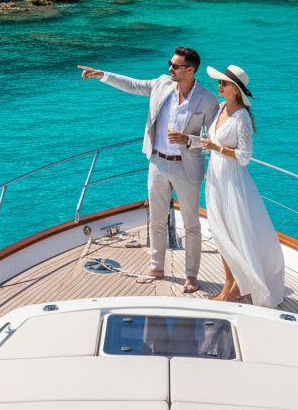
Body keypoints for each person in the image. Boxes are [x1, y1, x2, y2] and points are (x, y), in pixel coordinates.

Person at [78, 47, 218, 293]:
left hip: (187, 167)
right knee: (156, 219)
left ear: (190, 70)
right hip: (157, 163)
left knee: (191, 224)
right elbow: (133, 84)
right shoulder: (162, 84)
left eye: (175, 66)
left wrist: (188, 140)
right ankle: (156, 267)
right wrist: (103, 75)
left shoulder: (207, 99)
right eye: (170, 64)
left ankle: (191, 275)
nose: (169, 69)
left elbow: (213, 138)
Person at [200, 64, 285, 307]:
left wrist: (216, 148)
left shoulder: (242, 118)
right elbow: (213, 141)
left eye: (224, 84)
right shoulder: (220, 110)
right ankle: (231, 284)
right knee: (220, 231)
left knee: (233, 232)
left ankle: (233, 287)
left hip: (233, 180)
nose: (219, 87)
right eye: (220, 83)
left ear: (235, 90)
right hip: (216, 175)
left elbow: (245, 156)